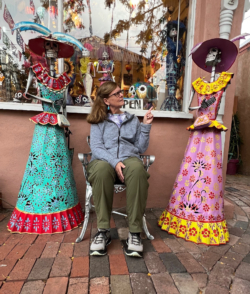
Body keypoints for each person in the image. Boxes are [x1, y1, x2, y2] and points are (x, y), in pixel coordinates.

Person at [86, 81, 154, 257]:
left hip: (129, 159)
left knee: (138, 170)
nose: (121, 95)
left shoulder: (132, 120)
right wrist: (114, 161)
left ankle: (134, 233)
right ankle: (103, 231)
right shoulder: (98, 121)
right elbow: (97, 147)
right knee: (100, 170)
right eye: (116, 94)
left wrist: (146, 125)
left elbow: (140, 148)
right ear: (106, 100)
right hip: (103, 160)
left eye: (120, 92)